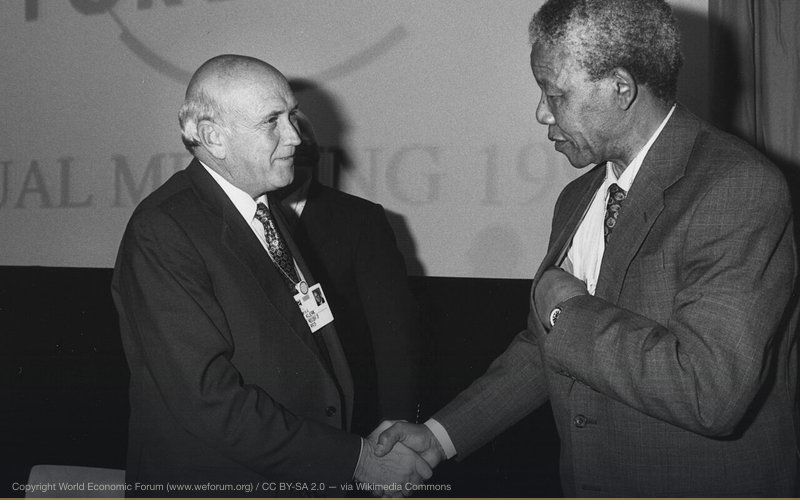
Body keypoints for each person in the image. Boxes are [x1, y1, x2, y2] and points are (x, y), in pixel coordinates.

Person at [376, 0, 799, 496]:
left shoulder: (737, 186)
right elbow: (549, 347)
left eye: (553, 93)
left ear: (620, 87)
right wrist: (439, 438)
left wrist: (568, 308)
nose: (540, 112)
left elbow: (710, 392)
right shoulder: (578, 197)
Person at [111, 54, 430, 496]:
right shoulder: (164, 230)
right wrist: (353, 460)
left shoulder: (262, 211)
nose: (296, 137)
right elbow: (208, 400)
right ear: (212, 137)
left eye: (292, 116)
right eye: (272, 122)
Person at [277, 111, 423, 437]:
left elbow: (394, 338)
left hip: (343, 422)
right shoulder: (237, 222)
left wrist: (397, 427)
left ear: (313, 156)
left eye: (295, 148)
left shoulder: (360, 221)